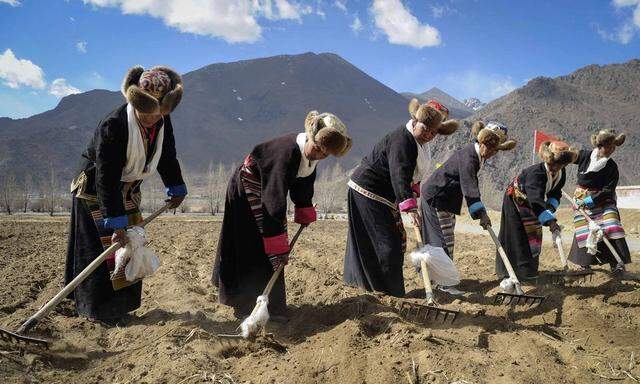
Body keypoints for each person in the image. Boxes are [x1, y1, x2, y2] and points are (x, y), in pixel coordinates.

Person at [66, 65, 187, 323]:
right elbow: (106, 177)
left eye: (156, 112)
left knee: (131, 245)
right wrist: (116, 223)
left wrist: (176, 187)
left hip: (127, 189)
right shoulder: (114, 125)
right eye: (145, 111)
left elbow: (167, 155)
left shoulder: (162, 120)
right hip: (95, 189)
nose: (150, 117)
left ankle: (122, 307)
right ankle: (98, 311)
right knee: (104, 247)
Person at [212, 111, 351, 320]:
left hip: (267, 193)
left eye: (325, 154)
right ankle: (243, 304)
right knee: (251, 245)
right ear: (311, 137)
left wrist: (304, 209)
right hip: (247, 189)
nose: (320, 156)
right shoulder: (285, 153)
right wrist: (277, 245)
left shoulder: (311, 156)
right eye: (318, 149)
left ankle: (272, 306)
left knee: (270, 248)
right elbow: (274, 200)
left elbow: (303, 184)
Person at [343, 99, 458, 297]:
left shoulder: (419, 144)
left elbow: (411, 177)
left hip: (384, 195)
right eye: (426, 128)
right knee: (386, 243)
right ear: (415, 120)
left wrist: (411, 196)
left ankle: (381, 288)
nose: (429, 135)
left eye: (434, 132)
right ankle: (383, 290)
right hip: (368, 191)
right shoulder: (402, 140)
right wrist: (410, 207)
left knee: (394, 241)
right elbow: (400, 174)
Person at [420, 121, 516, 295]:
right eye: (491, 147)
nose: (493, 153)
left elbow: (471, 184)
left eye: (496, 150)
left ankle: (441, 280)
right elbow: (469, 186)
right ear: (482, 142)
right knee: (442, 242)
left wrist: (480, 212)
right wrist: (481, 214)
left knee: (446, 241)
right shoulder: (469, 157)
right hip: (436, 199)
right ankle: (444, 284)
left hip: (446, 202)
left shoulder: (476, 156)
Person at [496, 140, 577, 283]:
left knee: (533, 233)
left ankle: (528, 271)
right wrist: (550, 221)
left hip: (534, 203)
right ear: (548, 159)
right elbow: (536, 201)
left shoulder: (560, 173)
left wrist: (550, 210)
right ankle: (509, 272)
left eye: (560, 164)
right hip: (515, 200)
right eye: (553, 163)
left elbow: (555, 193)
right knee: (516, 234)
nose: (555, 167)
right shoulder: (536, 173)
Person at [568, 129, 631, 273]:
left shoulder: (612, 167)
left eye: (614, 147)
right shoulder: (584, 156)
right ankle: (585, 262)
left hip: (604, 200)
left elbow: (608, 190)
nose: (612, 150)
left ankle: (617, 263)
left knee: (611, 224)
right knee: (583, 227)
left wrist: (590, 200)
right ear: (600, 146)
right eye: (609, 146)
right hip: (580, 199)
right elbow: (569, 157)